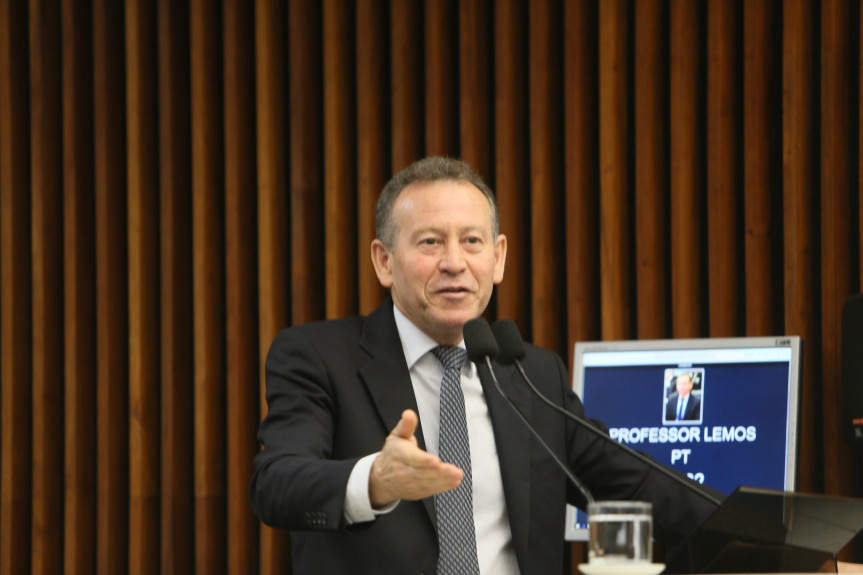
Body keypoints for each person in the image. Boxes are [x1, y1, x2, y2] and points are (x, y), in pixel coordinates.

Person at [249, 157, 720, 574]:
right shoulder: (317, 355)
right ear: (384, 262)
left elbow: (634, 483)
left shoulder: (532, 374)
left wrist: (769, 535)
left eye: (471, 241)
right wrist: (374, 479)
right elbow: (277, 483)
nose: (454, 263)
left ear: (497, 259)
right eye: (430, 242)